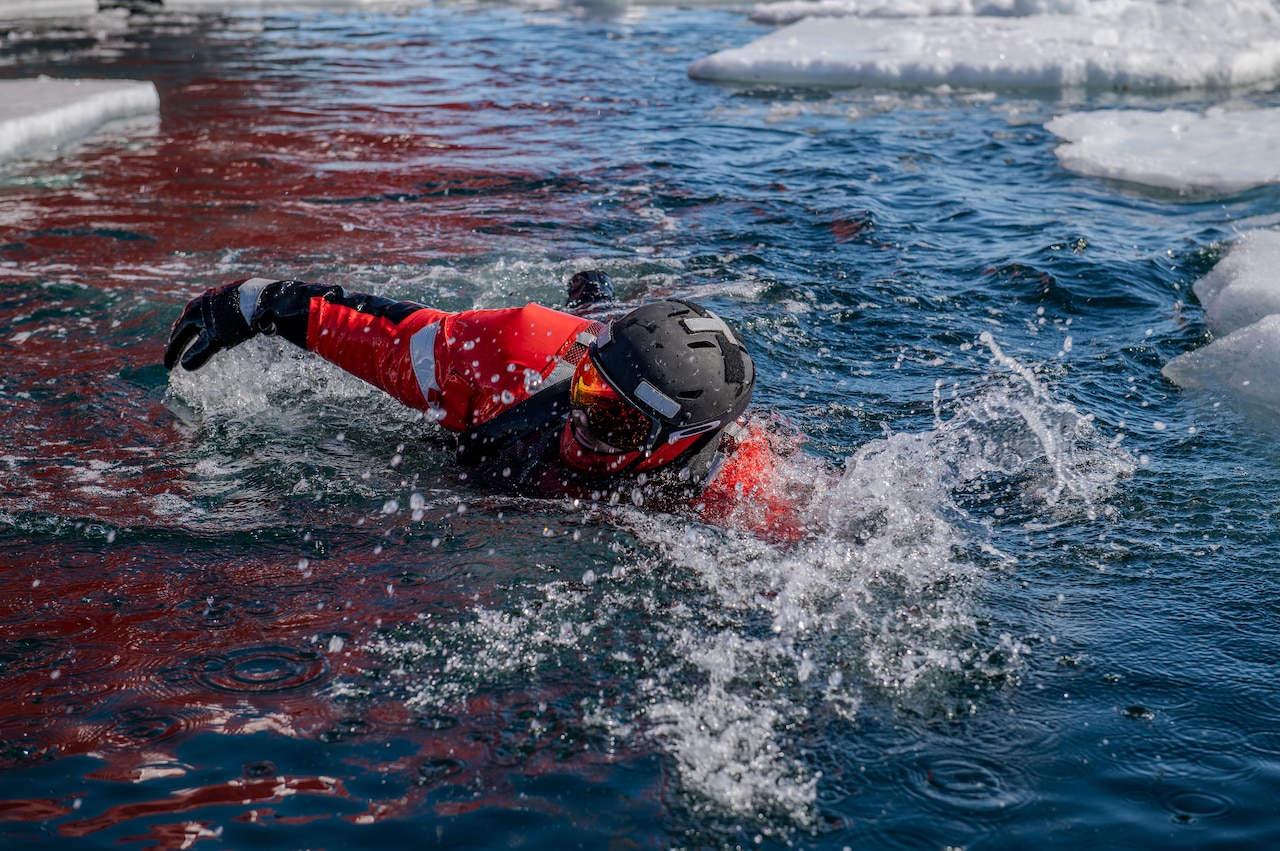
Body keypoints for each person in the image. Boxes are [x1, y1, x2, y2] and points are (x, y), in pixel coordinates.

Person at [164, 271, 782, 514]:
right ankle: (595, 298)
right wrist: (263, 303)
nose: (579, 426)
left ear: (678, 445)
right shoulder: (516, 362)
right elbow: (383, 337)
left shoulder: (735, 485)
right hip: (565, 339)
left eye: (613, 422)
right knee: (590, 309)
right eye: (589, 390)